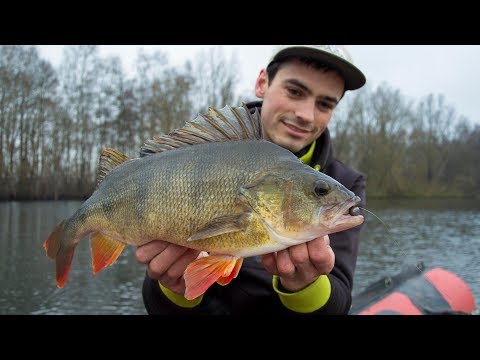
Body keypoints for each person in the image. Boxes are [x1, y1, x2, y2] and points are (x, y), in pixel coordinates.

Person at [135, 45, 367, 315]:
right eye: (295, 91)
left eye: (325, 103)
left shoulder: (346, 184)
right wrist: (174, 287)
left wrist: (306, 285)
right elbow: (156, 303)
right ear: (262, 83)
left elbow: (339, 302)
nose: (306, 113)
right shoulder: (204, 153)